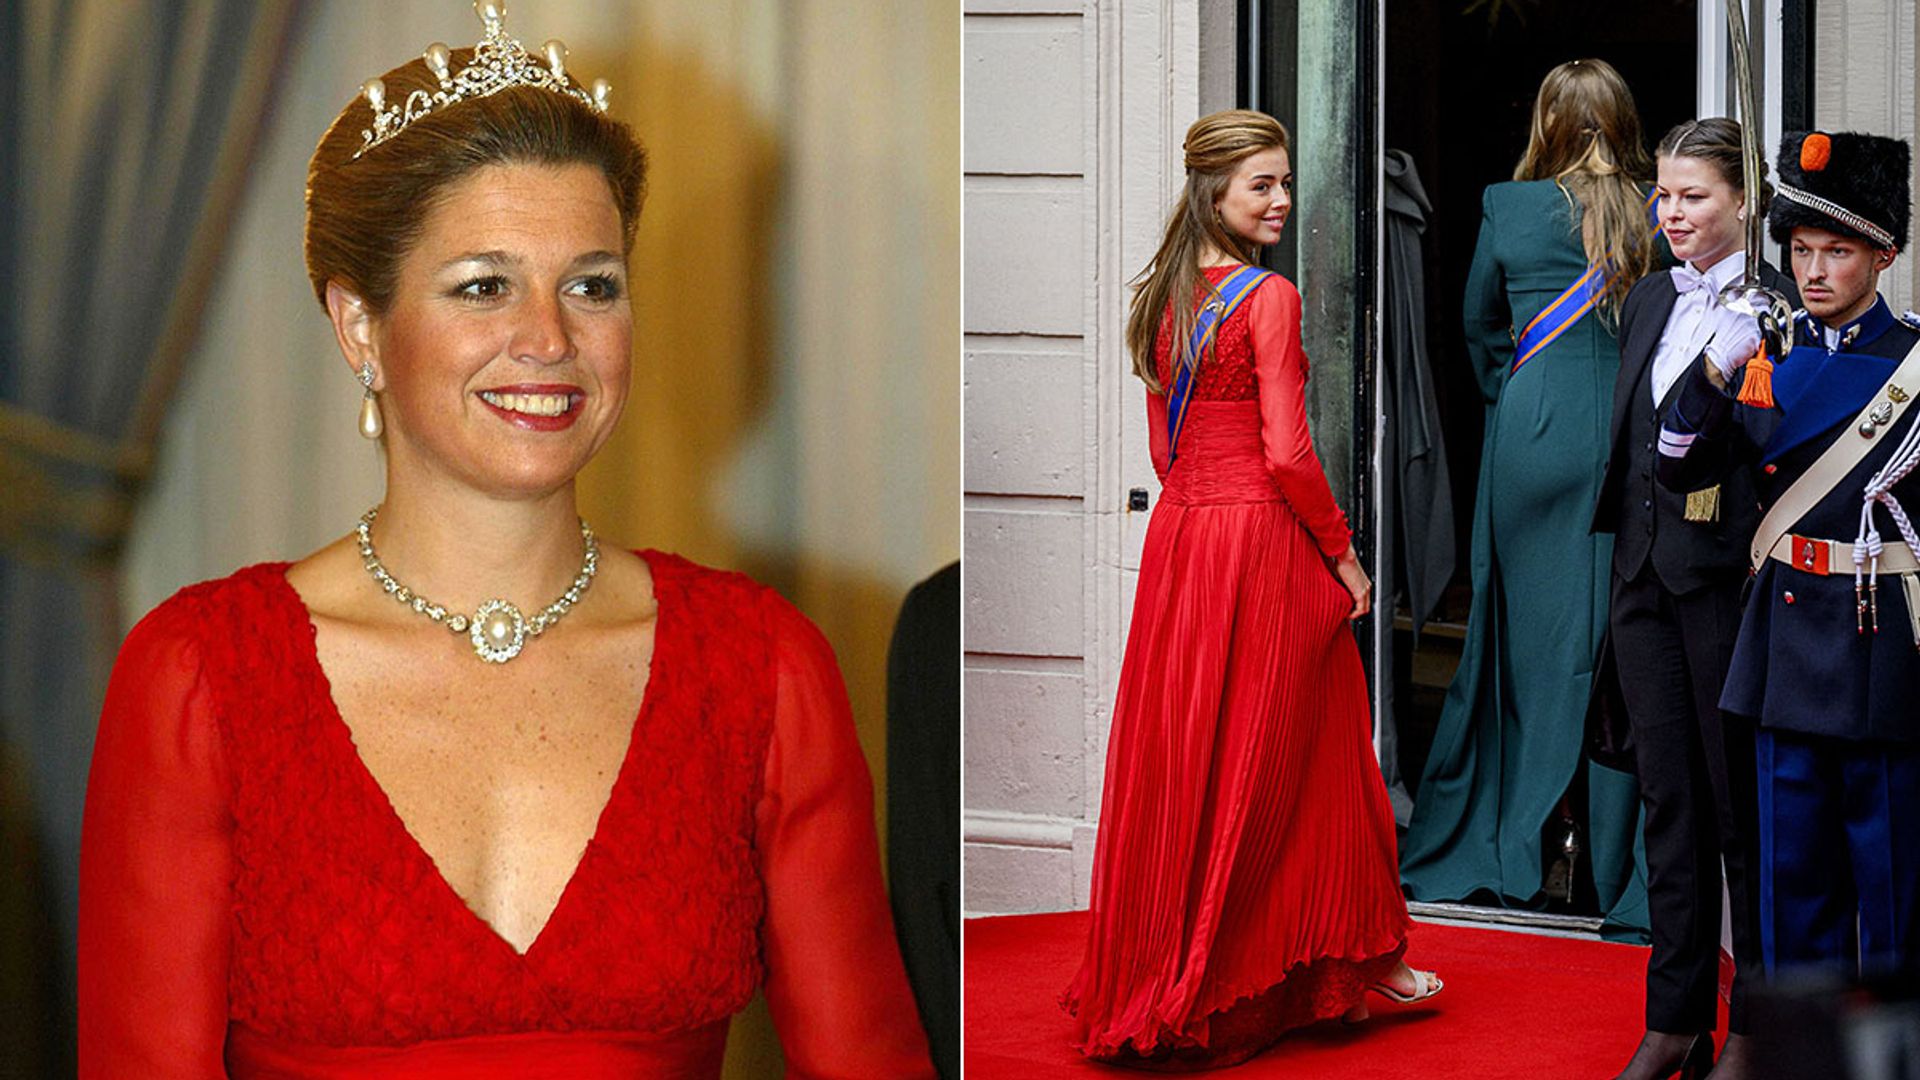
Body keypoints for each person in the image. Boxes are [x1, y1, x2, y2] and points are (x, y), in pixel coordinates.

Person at [76, 6, 936, 1076]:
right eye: (485, 285)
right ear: (359, 327)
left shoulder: (760, 667)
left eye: (592, 284)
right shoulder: (201, 676)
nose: (549, 340)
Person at [1061, 109, 1439, 1070]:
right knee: (1312, 742)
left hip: (1184, 539)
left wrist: (1206, 501)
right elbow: (1289, 452)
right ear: (1213, 194)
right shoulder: (1267, 297)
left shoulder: (1160, 298)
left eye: (1280, 181)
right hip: (1259, 536)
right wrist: (1345, 556)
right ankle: (1348, 951)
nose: (1279, 199)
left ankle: (1204, 960)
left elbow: (1164, 447)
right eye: (1261, 184)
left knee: (1194, 750)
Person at [1656, 130, 1920, 989]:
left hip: (1882, 647)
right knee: (1792, 889)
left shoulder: (1913, 364)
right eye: (1801, 250)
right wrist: (1713, 367)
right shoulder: (1764, 355)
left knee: (1894, 899)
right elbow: (1677, 462)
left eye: (1836, 251)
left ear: (1882, 254)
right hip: (1783, 643)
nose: (1812, 271)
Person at [1401, 59, 1659, 934]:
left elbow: (1475, 324)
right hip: (1627, 434)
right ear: (1622, 121)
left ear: (1546, 119)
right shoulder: (1658, 205)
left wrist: (1514, 394)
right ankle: (1609, 863)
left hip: (1534, 424)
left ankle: (1519, 843)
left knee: (1520, 644)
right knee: (1617, 646)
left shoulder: (1507, 206)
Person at [1591, 118, 1797, 1080]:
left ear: (1742, 201)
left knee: (1737, 814)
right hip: (1642, 580)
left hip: (1726, 588)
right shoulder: (1645, 303)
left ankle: (1755, 1029)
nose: (1672, 212)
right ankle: (1672, 1023)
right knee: (1667, 805)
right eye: (1663, 195)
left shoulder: (1784, 311)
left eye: (1694, 195)